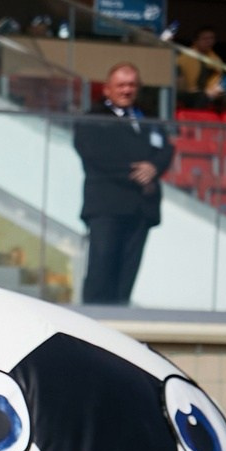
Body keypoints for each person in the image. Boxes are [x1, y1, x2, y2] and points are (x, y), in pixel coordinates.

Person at [75, 62, 168, 306]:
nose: (127, 90)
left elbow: (166, 149)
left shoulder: (147, 117)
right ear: (107, 89)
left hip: (141, 209)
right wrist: (135, 172)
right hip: (107, 207)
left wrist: (154, 168)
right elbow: (95, 155)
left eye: (132, 85)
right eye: (121, 85)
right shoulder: (93, 118)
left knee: (126, 276)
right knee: (101, 269)